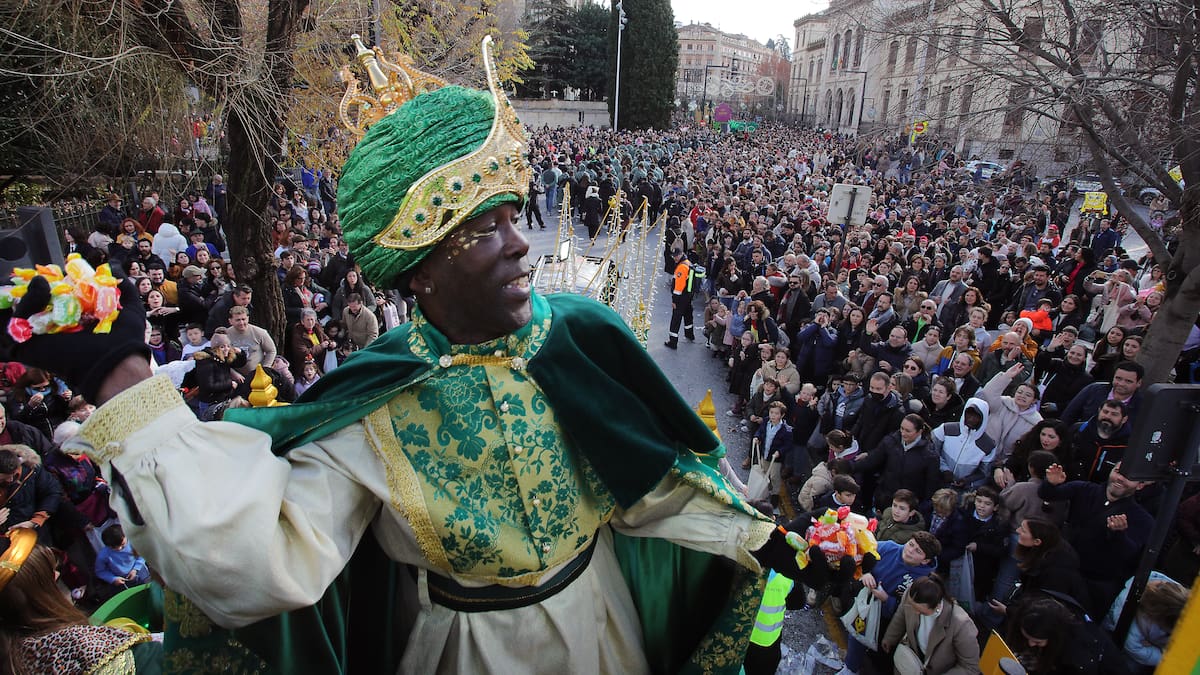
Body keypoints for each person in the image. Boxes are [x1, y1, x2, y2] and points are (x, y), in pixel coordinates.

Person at [13, 43, 797, 672]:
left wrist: (759, 538)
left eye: (513, 216)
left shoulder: (579, 335)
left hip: (602, 630)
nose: (523, 245)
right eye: (484, 228)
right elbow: (263, 557)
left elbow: (652, 484)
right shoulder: (373, 397)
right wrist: (126, 387)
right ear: (418, 269)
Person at [0, 533, 163, 673]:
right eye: (50, 576)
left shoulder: (13, 660)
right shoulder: (81, 647)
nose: (57, 575)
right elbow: (169, 662)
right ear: (37, 595)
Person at [1039, 461, 1154, 616]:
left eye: (1129, 477)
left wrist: (1118, 534)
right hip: (1059, 571)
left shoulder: (1143, 519)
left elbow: (1129, 554)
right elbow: (1048, 494)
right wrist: (1050, 483)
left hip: (1094, 586)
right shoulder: (1084, 489)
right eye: (1118, 471)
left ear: (1140, 485)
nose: (1120, 478)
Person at [837, 533, 942, 675]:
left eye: (918, 551)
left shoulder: (924, 580)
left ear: (925, 560)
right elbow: (862, 552)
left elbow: (911, 609)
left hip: (889, 620)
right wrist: (865, 572)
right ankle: (850, 668)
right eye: (911, 544)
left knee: (880, 656)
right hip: (865, 603)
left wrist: (887, 599)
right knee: (857, 635)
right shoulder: (889, 547)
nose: (910, 550)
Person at [880, 576, 980, 675]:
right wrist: (890, 637)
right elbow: (901, 614)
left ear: (937, 606)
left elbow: (970, 667)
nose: (914, 612)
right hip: (910, 663)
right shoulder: (912, 594)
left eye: (921, 611)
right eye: (912, 606)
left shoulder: (961, 625)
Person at [95, 523, 151, 590]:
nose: (119, 548)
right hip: (123, 580)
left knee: (150, 588)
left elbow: (142, 554)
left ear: (126, 536)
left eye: (122, 544)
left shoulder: (133, 542)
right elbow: (100, 571)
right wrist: (113, 579)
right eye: (113, 547)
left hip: (141, 571)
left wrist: (135, 569)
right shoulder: (103, 555)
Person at [664, 250, 696, 349]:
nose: (674, 258)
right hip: (688, 295)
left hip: (681, 297)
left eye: (676, 256)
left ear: (681, 254)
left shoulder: (681, 267)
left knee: (676, 319)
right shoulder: (688, 263)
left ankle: (673, 341)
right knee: (688, 315)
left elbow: (678, 287)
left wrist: (674, 300)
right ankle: (689, 334)